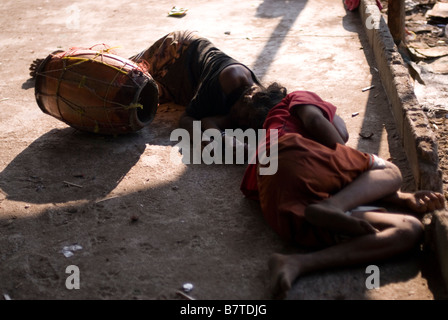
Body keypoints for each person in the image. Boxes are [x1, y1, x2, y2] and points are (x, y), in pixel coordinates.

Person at [240, 88, 446, 300]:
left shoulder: (261, 149)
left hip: (282, 211)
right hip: (294, 154)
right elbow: (315, 121)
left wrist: (402, 198)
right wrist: (349, 154)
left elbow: (317, 181)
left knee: (409, 229)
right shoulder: (294, 98)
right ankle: (333, 207)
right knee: (391, 171)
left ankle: (296, 263)